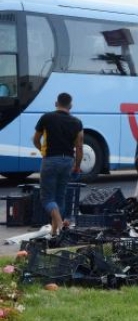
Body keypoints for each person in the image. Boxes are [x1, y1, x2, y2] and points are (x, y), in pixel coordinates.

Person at [32, 93, 84, 236]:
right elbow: (79, 147)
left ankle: (60, 226)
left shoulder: (46, 118)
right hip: (68, 161)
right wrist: (77, 166)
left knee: (47, 198)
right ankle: (54, 232)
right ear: (70, 106)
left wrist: (43, 151)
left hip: (50, 160)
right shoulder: (77, 122)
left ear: (56, 103)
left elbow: (36, 139)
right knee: (60, 197)